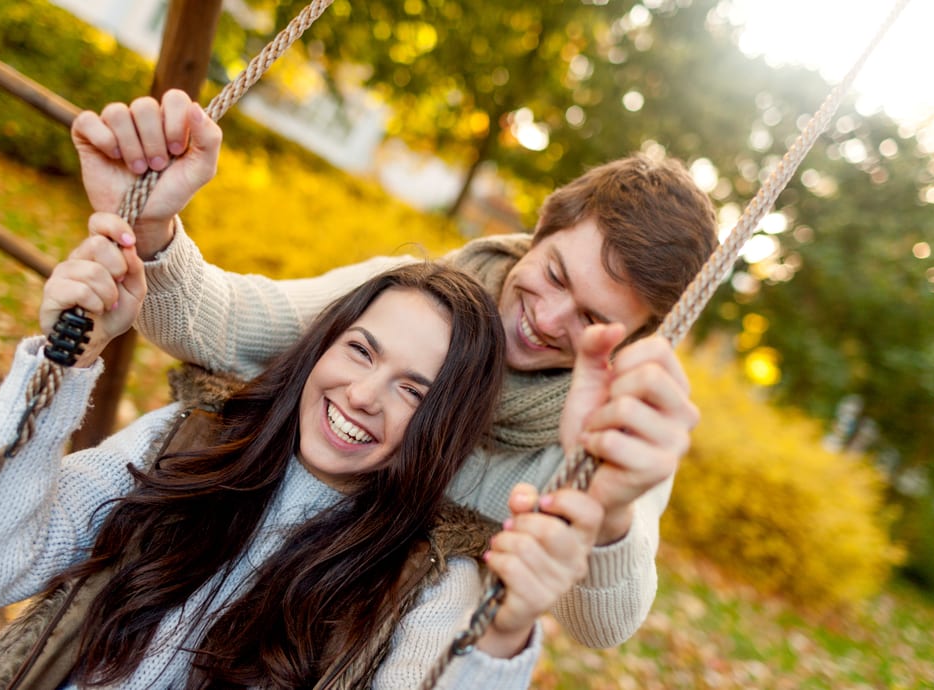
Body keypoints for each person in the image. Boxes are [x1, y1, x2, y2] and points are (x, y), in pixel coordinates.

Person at [70, 89, 720, 648]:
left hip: (388, 656)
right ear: (541, 229)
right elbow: (224, 327)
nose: (549, 320)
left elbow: (602, 627)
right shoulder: (413, 295)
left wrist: (607, 510)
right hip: (247, 601)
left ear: (636, 335)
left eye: (591, 319)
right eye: (553, 274)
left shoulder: (612, 428)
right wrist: (150, 232)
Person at [0, 223, 597, 689]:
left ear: (444, 429)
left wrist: (504, 638)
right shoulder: (188, 443)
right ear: (322, 345)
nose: (363, 395)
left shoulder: (425, 588)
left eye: (413, 391)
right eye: (361, 351)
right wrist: (61, 365)